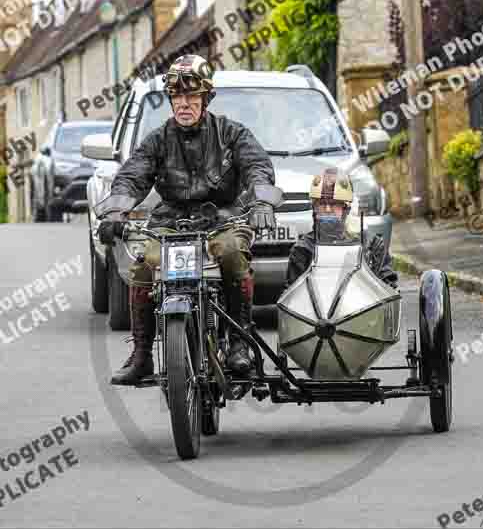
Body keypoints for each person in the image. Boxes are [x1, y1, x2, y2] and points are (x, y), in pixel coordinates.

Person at [98, 54, 277, 385]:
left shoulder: (232, 134)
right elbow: (132, 176)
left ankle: (238, 344)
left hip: (222, 221)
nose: (184, 103)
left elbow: (257, 166)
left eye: (192, 96)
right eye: (177, 96)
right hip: (170, 224)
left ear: (206, 98)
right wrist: (114, 212)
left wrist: (263, 201)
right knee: (142, 266)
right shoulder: (157, 140)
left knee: (233, 254)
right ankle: (142, 355)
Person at [286, 168, 399, 288]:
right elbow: (293, 294)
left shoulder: (370, 245)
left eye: (334, 203)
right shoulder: (303, 249)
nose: (327, 209)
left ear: (346, 209)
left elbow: (389, 288)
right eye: (322, 203)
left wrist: (374, 272)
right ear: (314, 208)